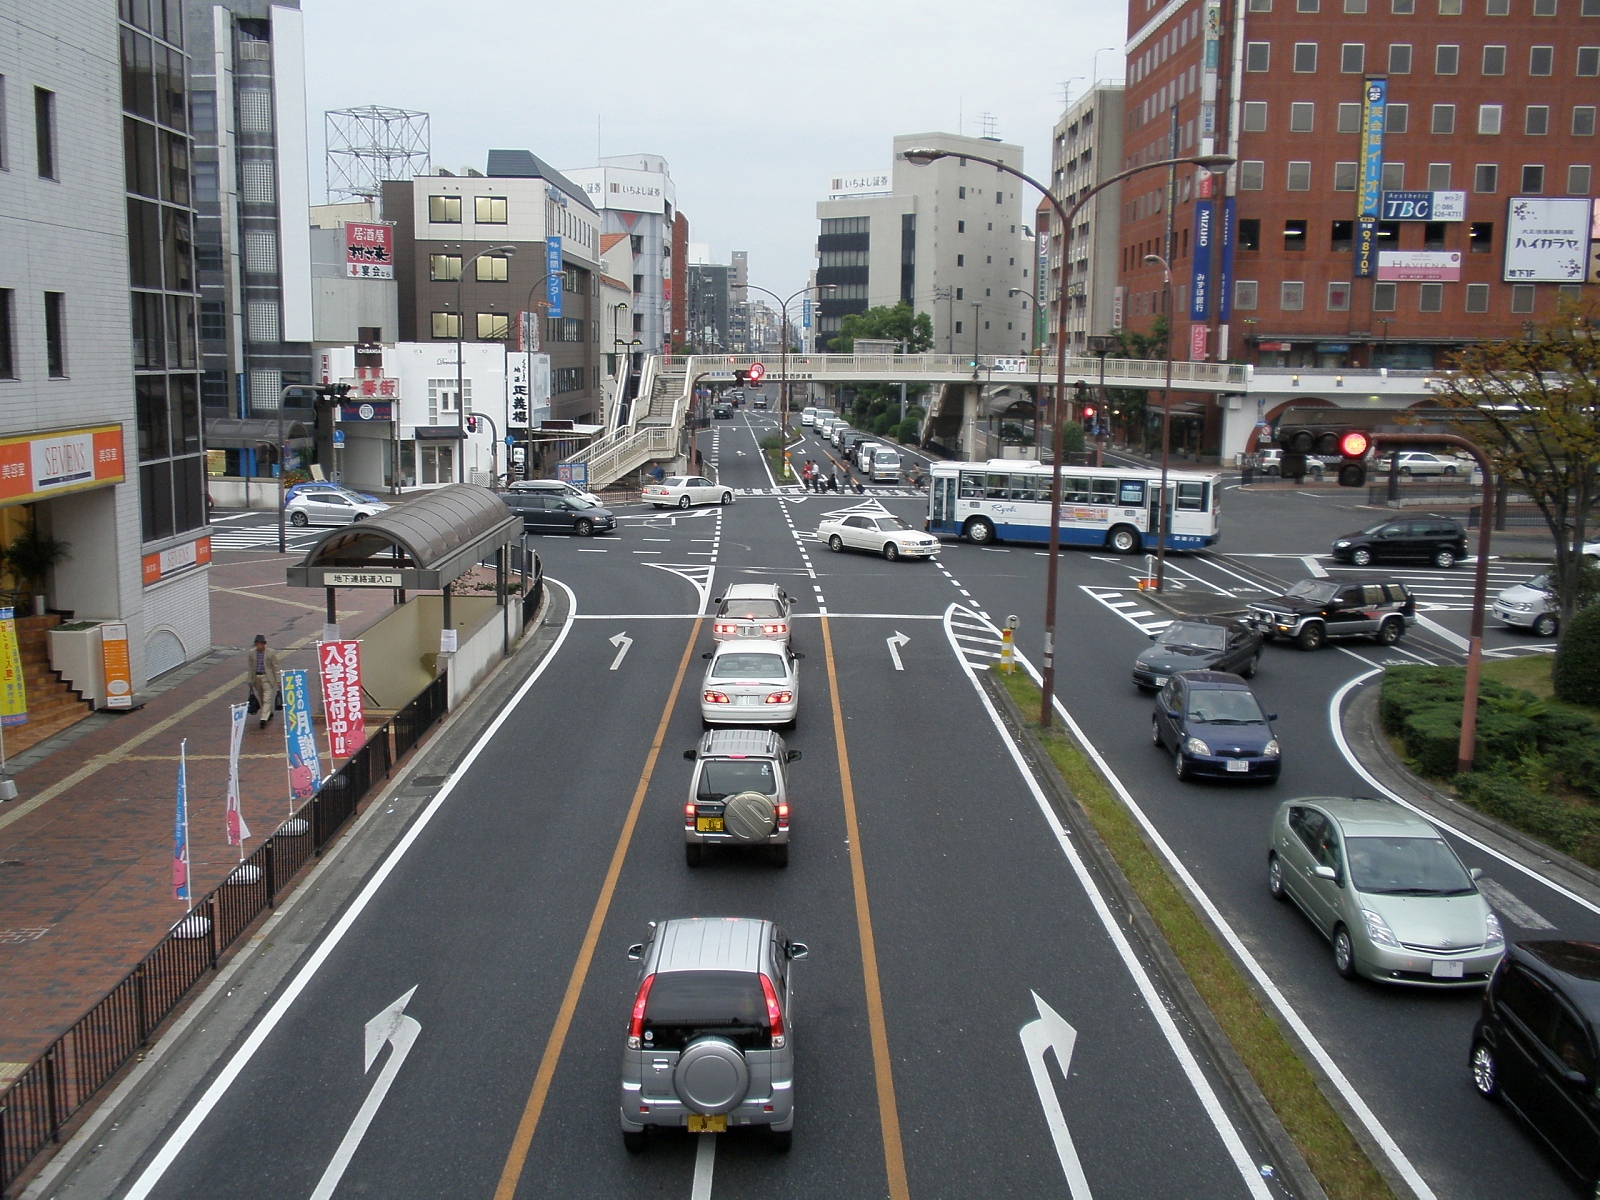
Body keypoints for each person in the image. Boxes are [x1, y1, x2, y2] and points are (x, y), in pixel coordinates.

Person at [248, 634, 281, 729]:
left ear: (264, 644)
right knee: (262, 697)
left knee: (267, 698)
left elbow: (275, 667)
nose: (259, 646)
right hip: (257, 677)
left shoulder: (270, 653)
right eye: (257, 644)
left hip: (267, 678)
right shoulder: (251, 653)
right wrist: (249, 680)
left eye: (260, 644)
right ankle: (268, 712)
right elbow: (250, 668)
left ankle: (263, 718)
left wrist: (278, 680)